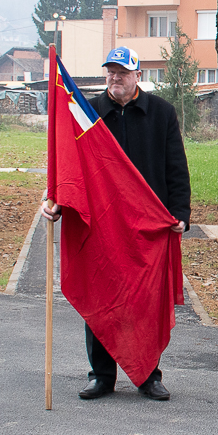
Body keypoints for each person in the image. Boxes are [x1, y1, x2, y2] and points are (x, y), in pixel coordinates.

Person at [43, 47, 190, 402]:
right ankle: (101, 376)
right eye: (110, 71)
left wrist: (180, 213)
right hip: (102, 224)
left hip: (147, 226)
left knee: (145, 301)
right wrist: (56, 200)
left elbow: (176, 167)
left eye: (122, 72)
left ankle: (148, 375)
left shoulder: (161, 113)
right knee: (101, 296)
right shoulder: (87, 111)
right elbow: (70, 161)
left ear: (138, 75)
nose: (115, 77)